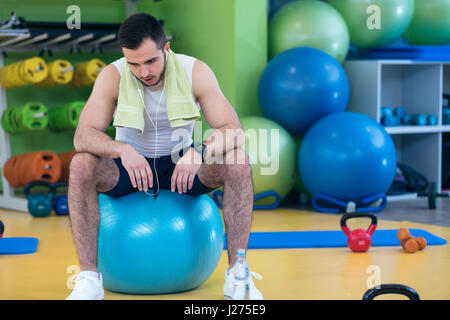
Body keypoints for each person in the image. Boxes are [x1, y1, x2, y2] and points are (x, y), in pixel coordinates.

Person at [66, 13, 263, 300]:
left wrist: (201, 151)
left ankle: (238, 273)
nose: (143, 71)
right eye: (134, 63)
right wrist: (122, 149)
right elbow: (82, 136)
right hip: (131, 167)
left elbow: (233, 131)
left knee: (238, 160)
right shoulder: (113, 75)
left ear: (166, 49)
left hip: (181, 164)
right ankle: (88, 280)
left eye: (150, 61)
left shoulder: (194, 70)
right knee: (81, 163)